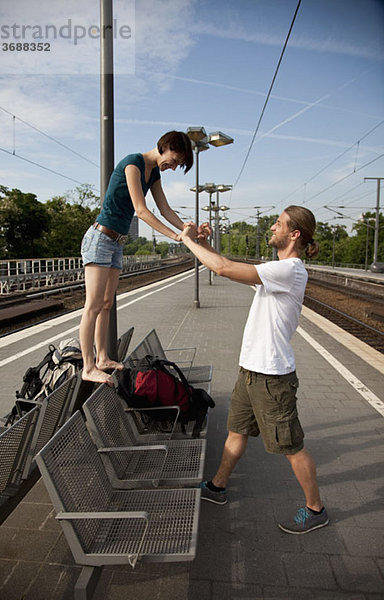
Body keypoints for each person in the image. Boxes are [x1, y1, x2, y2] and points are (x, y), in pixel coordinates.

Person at [181, 205, 329, 535]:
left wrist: (187, 241)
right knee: (237, 431)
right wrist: (205, 244)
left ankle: (316, 509)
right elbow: (230, 266)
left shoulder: (290, 270)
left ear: (294, 234)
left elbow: (222, 270)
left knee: (291, 446)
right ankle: (217, 487)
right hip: (250, 371)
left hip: (272, 377)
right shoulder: (277, 270)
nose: (271, 227)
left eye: (278, 224)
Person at [80, 130, 196, 385]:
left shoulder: (153, 173)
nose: (173, 167)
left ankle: (101, 358)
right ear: (165, 146)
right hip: (99, 239)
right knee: (93, 305)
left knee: (107, 304)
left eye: (178, 165)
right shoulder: (133, 163)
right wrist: (175, 237)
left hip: (116, 243)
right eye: (175, 160)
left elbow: (164, 208)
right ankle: (87, 367)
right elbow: (141, 211)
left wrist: (184, 228)